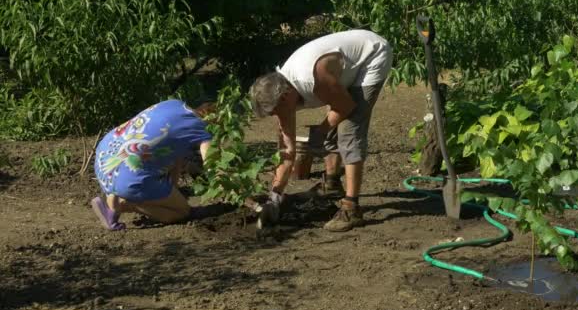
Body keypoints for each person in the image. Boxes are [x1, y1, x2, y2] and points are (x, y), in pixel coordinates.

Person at [249, 29, 393, 232]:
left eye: (275, 111)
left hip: (371, 56)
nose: (276, 116)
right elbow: (287, 152)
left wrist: (321, 130)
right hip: (337, 70)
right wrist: (274, 198)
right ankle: (332, 185)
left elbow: (346, 106)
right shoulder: (284, 95)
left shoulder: (312, 80)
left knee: (349, 130)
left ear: (285, 97)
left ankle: (351, 208)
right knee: (332, 120)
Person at [91, 99, 215, 230]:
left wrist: (173, 193)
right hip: (128, 178)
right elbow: (212, 164)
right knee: (183, 212)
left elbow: (176, 160)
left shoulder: (174, 103)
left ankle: (115, 199)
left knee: (154, 164)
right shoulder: (202, 130)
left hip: (105, 158)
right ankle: (123, 204)